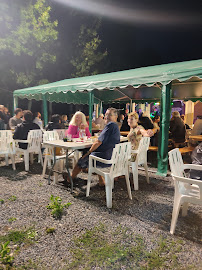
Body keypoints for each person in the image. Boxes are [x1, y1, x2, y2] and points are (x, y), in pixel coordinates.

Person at [63, 108, 120, 186]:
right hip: (111, 155)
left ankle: (70, 179)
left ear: (116, 117)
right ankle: (101, 181)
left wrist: (88, 152)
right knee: (91, 154)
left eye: (110, 115)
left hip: (105, 157)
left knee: (83, 159)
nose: (106, 116)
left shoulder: (110, 125)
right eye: (106, 114)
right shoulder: (115, 126)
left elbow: (98, 142)